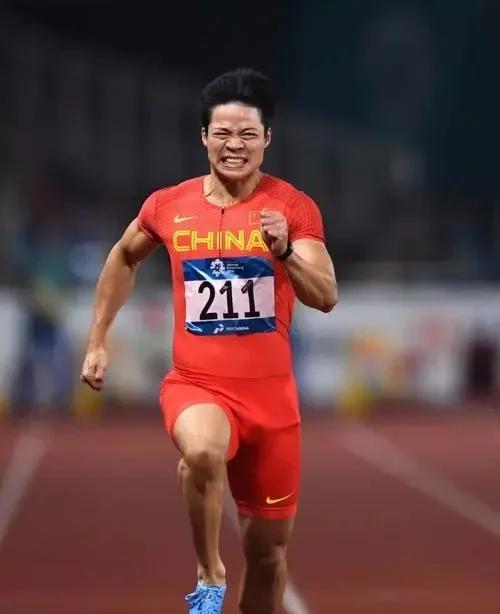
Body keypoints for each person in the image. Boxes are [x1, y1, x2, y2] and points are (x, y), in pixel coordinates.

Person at [81, 68, 337, 614]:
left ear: (267, 139)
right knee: (201, 451)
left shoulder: (294, 208)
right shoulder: (167, 205)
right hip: (197, 384)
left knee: (268, 556)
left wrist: (285, 252)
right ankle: (209, 569)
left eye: (247, 134)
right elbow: (124, 256)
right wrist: (98, 338)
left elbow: (326, 296)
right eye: (222, 133)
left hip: (272, 403)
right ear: (204, 137)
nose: (234, 145)